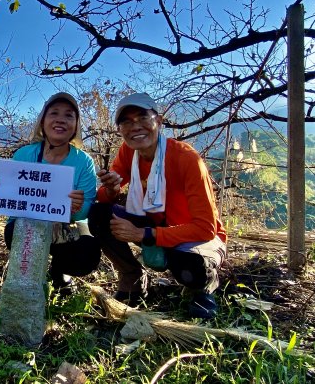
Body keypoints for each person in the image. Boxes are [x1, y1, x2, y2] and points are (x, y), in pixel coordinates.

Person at [88, 92, 227, 319]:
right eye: (126, 121)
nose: (135, 127)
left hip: (194, 236)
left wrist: (143, 234)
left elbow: (205, 228)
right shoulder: (128, 152)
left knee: (191, 268)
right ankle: (132, 278)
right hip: (154, 223)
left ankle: (201, 288)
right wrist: (112, 190)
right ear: (120, 129)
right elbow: (105, 197)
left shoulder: (186, 158)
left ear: (159, 121)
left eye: (143, 118)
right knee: (99, 214)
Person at [0, 92, 101, 291]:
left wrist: (76, 207)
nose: (60, 119)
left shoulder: (84, 161)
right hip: (26, 223)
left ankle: (59, 269)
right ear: (43, 121)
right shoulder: (24, 154)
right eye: (54, 113)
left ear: (76, 125)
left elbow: (85, 211)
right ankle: (28, 276)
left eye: (69, 115)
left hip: (67, 225)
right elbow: (11, 201)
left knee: (86, 253)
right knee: (23, 231)